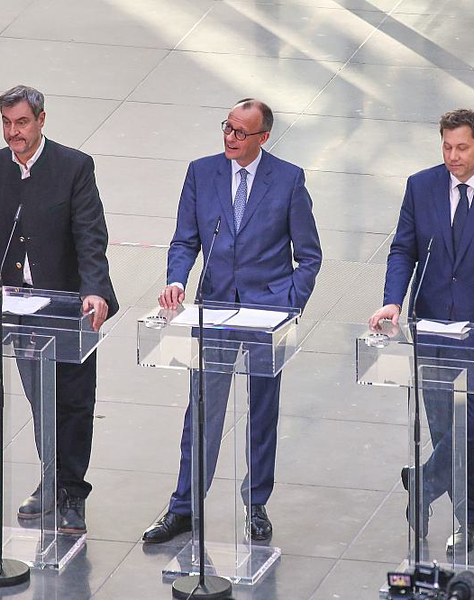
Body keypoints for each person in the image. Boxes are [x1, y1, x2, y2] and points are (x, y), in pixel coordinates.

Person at [142, 98, 322, 544]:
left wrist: (289, 304)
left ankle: (256, 504)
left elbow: (309, 255)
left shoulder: (288, 179)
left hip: (267, 315)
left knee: (262, 412)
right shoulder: (201, 173)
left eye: (241, 132)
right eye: (227, 127)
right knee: (202, 412)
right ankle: (184, 507)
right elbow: (184, 240)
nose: (230, 137)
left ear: (263, 137)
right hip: (215, 309)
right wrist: (176, 281)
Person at [0, 84, 118, 534]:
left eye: (21, 122)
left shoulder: (74, 167)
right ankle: (52, 481)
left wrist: (95, 291)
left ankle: (72, 492)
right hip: (18, 308)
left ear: (41, 120)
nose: (13, 133)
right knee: (42, 401)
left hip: (71, 308)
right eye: (6, 123)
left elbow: (90, 236)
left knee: (74, 403)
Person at [369, 109, 474, 553]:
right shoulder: (420, 186)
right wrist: (393, 301)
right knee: (446, 432)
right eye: (446, 147)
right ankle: (471, 520)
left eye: (462, 147)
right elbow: (403, 249)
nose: (452, 156)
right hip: (431, 330)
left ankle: (423, 482)